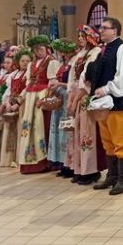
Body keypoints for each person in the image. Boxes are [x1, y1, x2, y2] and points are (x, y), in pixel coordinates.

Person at [91, 17, 123, 195]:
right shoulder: (104, 49)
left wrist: (107, 89)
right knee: (108, 141)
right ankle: (112, 175)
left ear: (115, 30)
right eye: (100, 28)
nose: (100, 31)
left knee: (121, 142)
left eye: (104, 28)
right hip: (103, 104)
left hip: (119, 103)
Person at [67, 25, 103, 184]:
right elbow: (72, 78)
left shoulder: (94, 53)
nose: (80, 39)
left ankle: (90, 170)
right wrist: (71, 96)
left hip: (86, 96)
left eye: (83, 36)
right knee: (77, 134)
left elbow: (87, 78)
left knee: (87, 135)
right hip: (77, 95)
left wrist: (76, 97)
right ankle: (79, 168)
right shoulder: (79, 54)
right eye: (79, 36)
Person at [18, 35, 54, 174]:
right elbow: (28, 83)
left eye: (41, 48)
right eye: (36, 49)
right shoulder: (32, 65)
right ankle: (29, 160)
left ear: (47, 49)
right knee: (28, 127)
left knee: (39, 127)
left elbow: (52, 82)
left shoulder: (51, 62)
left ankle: (43, 161)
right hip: (31, 98)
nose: (39, 51)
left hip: (42, 96)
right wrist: (21, 98)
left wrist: (46, 97)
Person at [47, 38, 76, 175]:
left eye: (63, 51)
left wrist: (59, 84)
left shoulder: (73, 65)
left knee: (67, 131)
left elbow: (72, 84)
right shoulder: (61, 65)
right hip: (59, 99)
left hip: (67, 97)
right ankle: (60, 162)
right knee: (58, 131)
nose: (62, 54)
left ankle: (69, 164)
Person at [1, 49, 31, 168]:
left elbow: (26, 90)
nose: (24, 63)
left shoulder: (28, 75)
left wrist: (17, 104)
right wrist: (7, 103)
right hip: (12, 102)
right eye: (22, 60)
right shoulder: (13, 74)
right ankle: (9, 158)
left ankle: (19, 157)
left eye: (27, 61)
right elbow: (9, 90)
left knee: (20, 129)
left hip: (22, 104)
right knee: (10, 131)